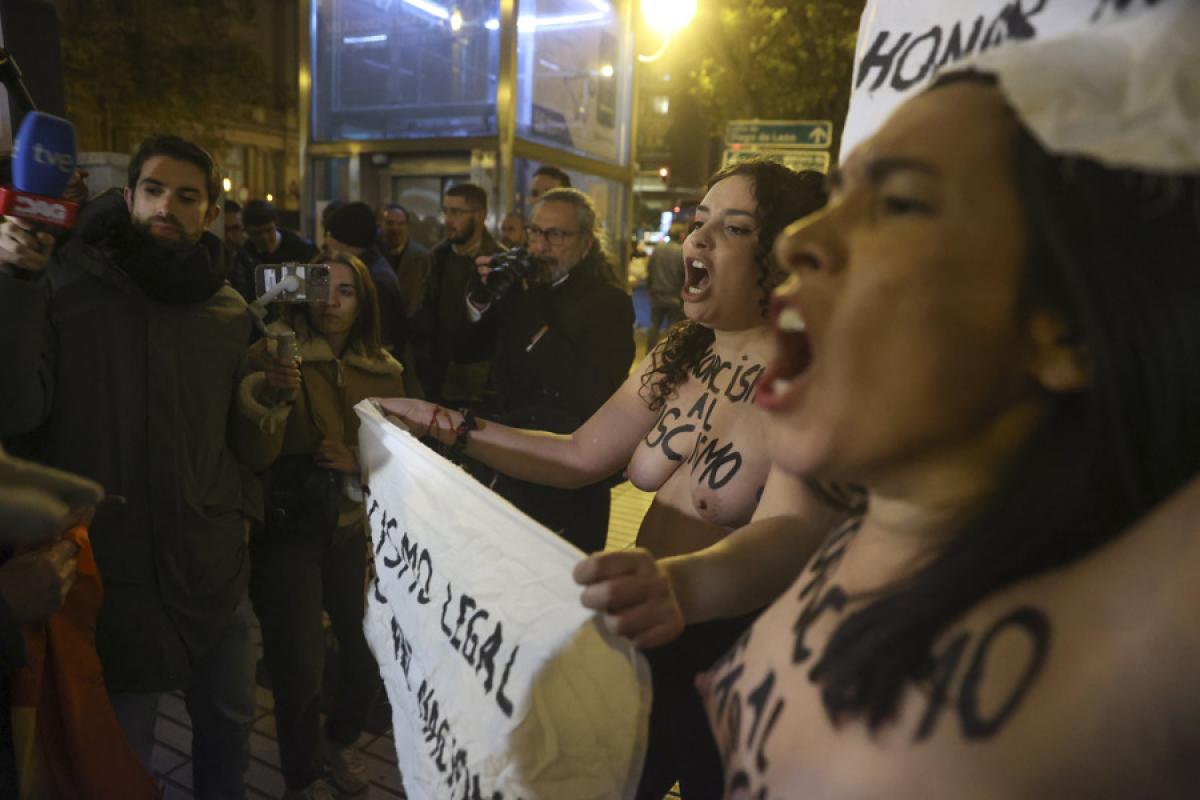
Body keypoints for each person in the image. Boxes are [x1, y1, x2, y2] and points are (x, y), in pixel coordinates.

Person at [691, 71, 1200, 796]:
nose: (799, 239)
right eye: (839, 198)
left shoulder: (1134, 635)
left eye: (899, 203)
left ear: (1064, 329)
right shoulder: (875, 524)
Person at [378, 163, 849, 798]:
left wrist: (676, 584)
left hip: (741, 667)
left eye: (734, 228)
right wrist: (445, 425)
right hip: (649, 651)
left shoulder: (813, 371)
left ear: (785, 254)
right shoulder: (683, 350)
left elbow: (793, 529)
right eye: (699, 221)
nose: (699, 241)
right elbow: (576, 455)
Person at [0, 134, 258, 799]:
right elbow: (19, 410)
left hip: (213, 567)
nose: (166, 205)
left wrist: (243, 505)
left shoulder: (229, 312)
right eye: (153, 189)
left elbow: (239, 441)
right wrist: (18, 284)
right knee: (120, 751)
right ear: (131, 195)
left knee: (230, 730)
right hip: (112, 577)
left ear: (209, 210)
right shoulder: (68, 284)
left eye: (186, 195)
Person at [233, 252, 407, 800]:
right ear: (302, 292)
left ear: (364, 302)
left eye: (347, 290)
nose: (332, 301)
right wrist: (274, 395)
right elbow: (252, 452)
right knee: (299, 665)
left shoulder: (383, 369)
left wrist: (361, 461)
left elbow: (403, 451)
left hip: (351, 525)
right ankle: (303, 776)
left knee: (364, 650)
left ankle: (338, 740)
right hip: (288, 530)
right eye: (322, 287)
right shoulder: (275, 350)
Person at [415, 183, 503, 406]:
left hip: (480, 386)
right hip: (438, 380)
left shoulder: (498, 262)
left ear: (480, 215)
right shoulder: (437, 257)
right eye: (445, 211)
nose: (448, 220)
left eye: (456, 212)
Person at [324, 201, 409, 359]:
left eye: (332, 240)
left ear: (346, 243)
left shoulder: (374, 280)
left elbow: (378, 343)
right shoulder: (370, 268)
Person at [230, 198, 318, 303]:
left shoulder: (301, 248)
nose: (265, 238)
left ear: (276, 224)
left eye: (268, 230)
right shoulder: (244, 255)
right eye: (257, 233)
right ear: (247, 232)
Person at [377, 202, 431, 318]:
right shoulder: (374, 255)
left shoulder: (421, 257)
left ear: (407, 227)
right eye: (390, 223)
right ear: (381, 224)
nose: (395, 228)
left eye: (400, 224)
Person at [644, 223, 686, 350]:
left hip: (657, 294)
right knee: (673, 327)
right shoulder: (681, 251)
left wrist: (650, 287)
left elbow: (650, 270)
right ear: (681, 236)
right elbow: (683, 275)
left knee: (654, 325)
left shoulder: (658, 249)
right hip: (674, 296)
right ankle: (668, 354)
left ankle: (649, 353)